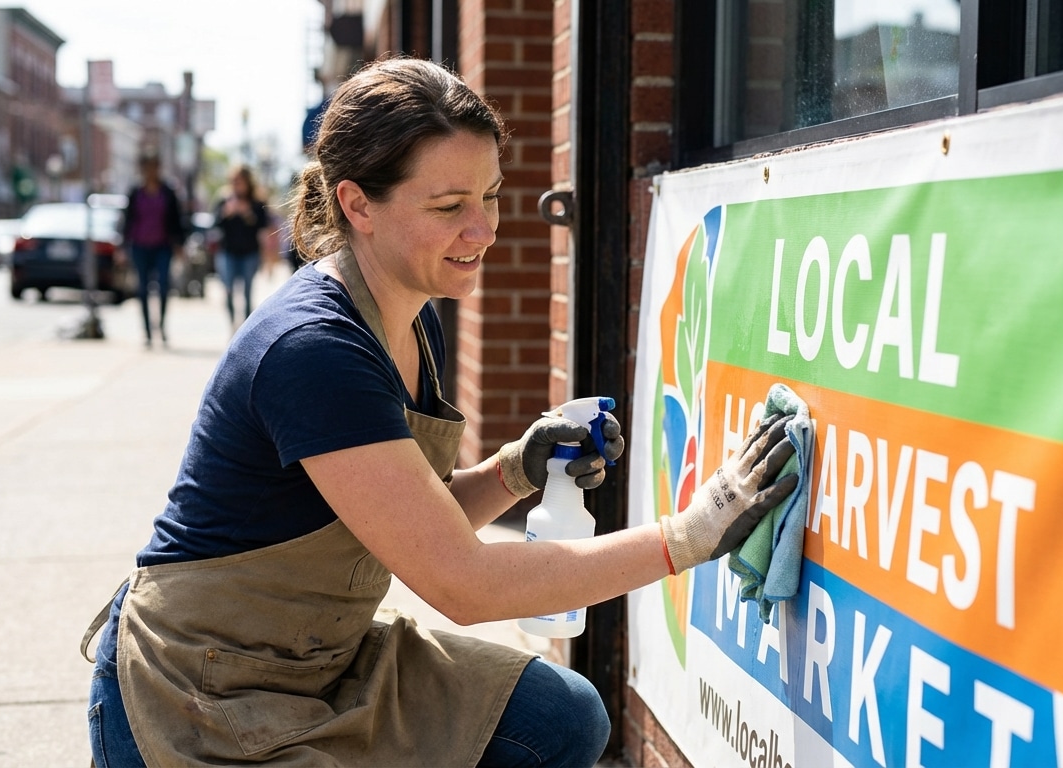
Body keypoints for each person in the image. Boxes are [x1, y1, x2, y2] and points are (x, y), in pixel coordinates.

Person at [82, 57, 797, 767]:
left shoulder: (412, 315)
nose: (484, 229)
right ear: (358, 204)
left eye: (490, 195)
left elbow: (404, 518)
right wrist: (688, 536)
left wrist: (514, 470)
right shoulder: (315, 350)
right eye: (449, 206)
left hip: (322, 663)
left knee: (561, 718)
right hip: (199, 692)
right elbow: (461, 583)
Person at [119, 152, 186, 347]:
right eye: (146, 167)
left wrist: (180, 245)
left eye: (153, 166)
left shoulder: (168, 192)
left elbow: (177, 220)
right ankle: (147, 331)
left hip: (163, 246)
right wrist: (123, 247)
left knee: (164, 286)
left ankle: (162, 326)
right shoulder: (135, 192)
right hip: (139, 246)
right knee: (142, 288)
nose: (150, 171)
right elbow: (127, 221)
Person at [212, 165, 271, 328]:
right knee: (228, 290)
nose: (236, 184)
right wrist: (226, 213)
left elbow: (263, 225)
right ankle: (232, 322)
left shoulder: (257, 202)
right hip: (228, 252)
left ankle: (246, 327)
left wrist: (248, 214)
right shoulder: (224, 199)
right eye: (233, 181)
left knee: (247, 292)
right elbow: (215, 223)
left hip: (249, 252)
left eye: (239, 181)